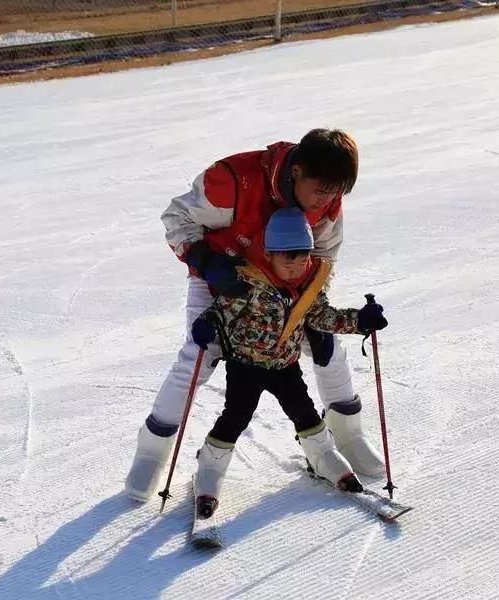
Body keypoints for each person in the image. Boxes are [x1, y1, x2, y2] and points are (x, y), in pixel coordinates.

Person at [126, 129, 388, 502]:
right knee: (198, 357)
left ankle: (347, 435)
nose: (327, 200)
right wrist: (207, 262)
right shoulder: (234, 180)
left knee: (327, 348)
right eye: (322, 190)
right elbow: (177, 218)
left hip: (290, 284)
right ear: (296, 171)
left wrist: (312, 299)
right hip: (226, 280)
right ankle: (152, 450)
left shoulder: (326, 198)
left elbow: (325, 253)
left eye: (336, 192)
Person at [189, 208, 387, 517]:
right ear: (269, 255)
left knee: (304, 412)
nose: (295, 267)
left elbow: (323, 316)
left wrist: (360, 321)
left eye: (302, 258)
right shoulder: (249, 282)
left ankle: (323, 456)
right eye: (287, 260)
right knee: (236, 416)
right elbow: (222, 309)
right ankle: (210, 469)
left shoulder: (310, 285)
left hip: (285, 365)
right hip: (245, 365)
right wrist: (207, 322)